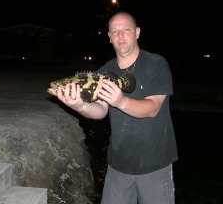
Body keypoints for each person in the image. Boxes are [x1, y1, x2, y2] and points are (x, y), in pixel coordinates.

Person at [57, 11, 178, 204]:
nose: (120, 35)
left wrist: (121, 101)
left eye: (126, 30)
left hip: (155, 164)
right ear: (109, 37)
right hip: (118, 165)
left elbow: (153, 108)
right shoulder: (103, 72)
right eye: (115, 31)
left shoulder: (155, 64)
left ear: (137, 32)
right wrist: (79, 105)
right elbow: (100, 111)